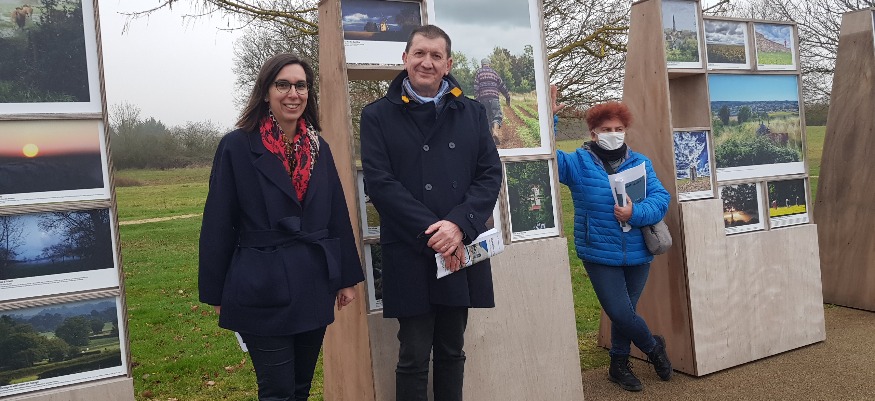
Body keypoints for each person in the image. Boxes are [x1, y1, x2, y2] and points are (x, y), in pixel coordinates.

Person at [198, 53, 365, 401]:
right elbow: (218, 221)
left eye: (301, 86)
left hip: (312, 282)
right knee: (277, 390)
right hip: (261, 286)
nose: (293, 94)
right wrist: (216, 292)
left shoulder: (319, 148)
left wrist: (346, 277)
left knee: (301, 388)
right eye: (283, 85)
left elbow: (336, 213)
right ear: (266, 92)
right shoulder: (237, 146)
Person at [360, 25, 502, 401]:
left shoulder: (472, 112)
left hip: (459, 246)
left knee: (453, 349)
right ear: (405, 58)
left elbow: (489, 174)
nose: (427, 62)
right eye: (420, 53)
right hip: (411, 248)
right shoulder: (377, 116)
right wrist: (436, 232)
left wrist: (457, 225)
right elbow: (380, 183)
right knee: (413, 354)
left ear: (448, 64)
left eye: (436, 56)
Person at [555, 101, 672, 392]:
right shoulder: (578, 163)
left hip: (638, 251)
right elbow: (549, 158)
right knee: (620, 312)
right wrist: (549, 119)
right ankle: (653, 347)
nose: (613, 134)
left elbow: (661, 199)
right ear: (593, 133)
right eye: (606, 129)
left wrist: (635, 213)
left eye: (619, 129)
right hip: (598, 251)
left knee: (627, 312)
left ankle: (618, 365)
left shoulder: (641, 163)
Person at [473, 57, 511, 145]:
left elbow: (476, 87)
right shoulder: (494, 73)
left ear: (482, 64)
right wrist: (507, 97)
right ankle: (495, 132)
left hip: (483, 99)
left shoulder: (479, 72)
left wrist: (476, 100)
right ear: (489, 64)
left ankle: (490, 140)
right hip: (494, 98)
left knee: (487, 118)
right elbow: (502, 86)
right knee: (497, 115)